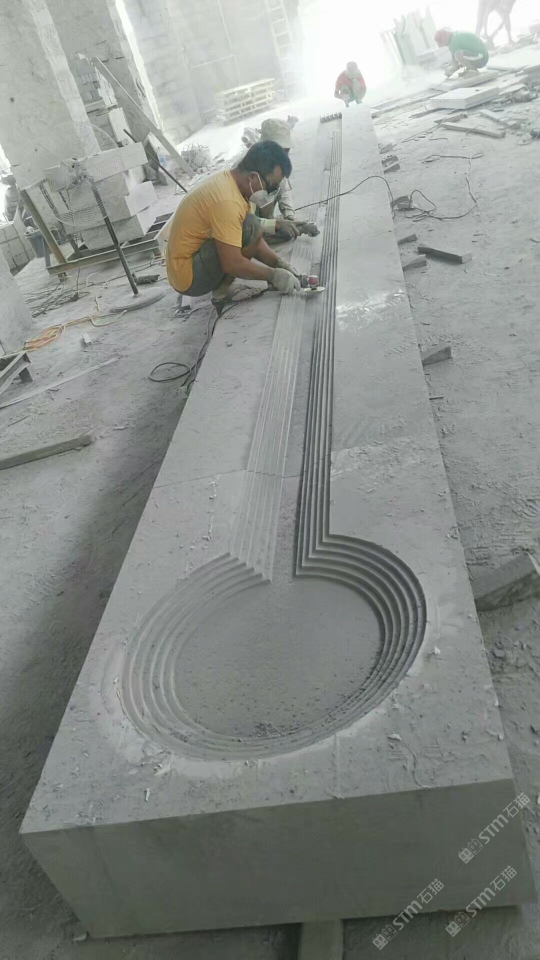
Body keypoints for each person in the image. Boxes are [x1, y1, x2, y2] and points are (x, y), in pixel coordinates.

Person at [166, 140, 301, 304]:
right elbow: (232, 264)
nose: (272, 192)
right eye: (271, 187)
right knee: (250, 225)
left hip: (191, 260)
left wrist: (278, 264)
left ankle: (222, 285)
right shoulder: (226, 202)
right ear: (253, 177)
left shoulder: (233, 183)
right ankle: (222, 292)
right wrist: (273, 276)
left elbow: (254, 238)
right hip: (188, 277)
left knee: (251, 225)